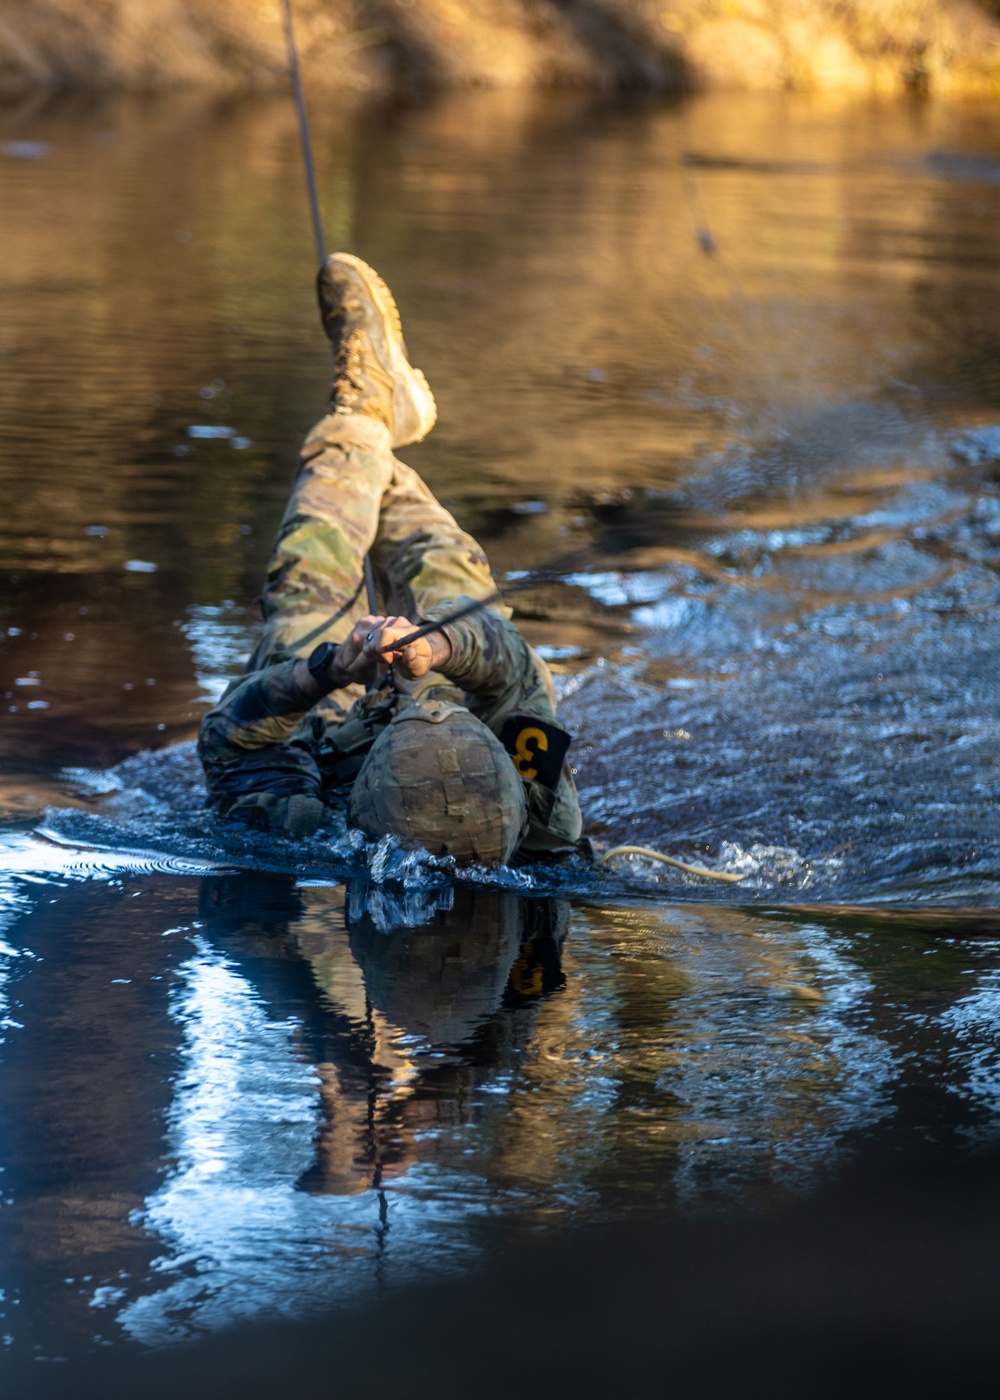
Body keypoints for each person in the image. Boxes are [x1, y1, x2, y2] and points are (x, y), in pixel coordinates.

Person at [198, 254, 584, 865]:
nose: (417, 701)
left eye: (420, 709)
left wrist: (326, 672)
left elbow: (228, 741)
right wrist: (437, 648)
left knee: (305, 578)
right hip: (453, 670)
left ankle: (361, 422)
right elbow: (515, 669)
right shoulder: (544, 818)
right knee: (448, 570)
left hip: (332, 730)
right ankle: (366, 438)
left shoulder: (303, 826)